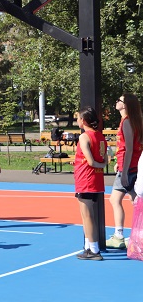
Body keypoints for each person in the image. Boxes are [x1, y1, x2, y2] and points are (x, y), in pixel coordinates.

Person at [107, 93, 143, 249]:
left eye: (119, 100)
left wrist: (124, 170)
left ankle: (119, 235)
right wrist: (118, 162)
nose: (117, 102)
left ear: (126, 105)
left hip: (128, 167)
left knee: (115, 200)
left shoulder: (127, 122)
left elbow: (129, 149)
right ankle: (135, 233)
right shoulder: (132, 121)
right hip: (130, 165)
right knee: (135, 201)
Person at [72, 107, 107, 260]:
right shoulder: (100, 136)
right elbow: (104, 158)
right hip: (96, 179)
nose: (77, 120)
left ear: (84, 120)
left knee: (87, 215)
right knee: (87, 214)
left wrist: (96, 165)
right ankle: (88, 246)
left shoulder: (84, 137)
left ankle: (94, 249)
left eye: (79, 118)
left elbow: (92, 161)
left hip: (86, 179)